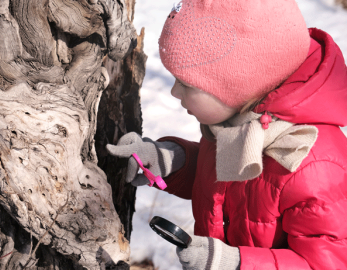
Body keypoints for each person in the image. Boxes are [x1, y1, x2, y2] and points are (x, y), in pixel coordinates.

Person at [106, 0, 347, 269]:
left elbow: (325, 263)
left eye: (186, 84)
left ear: (239, 85)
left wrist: (233, 263)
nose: (174, 92)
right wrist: (171, 161)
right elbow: (228, 185)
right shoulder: (241, 121)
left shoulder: (313, 164)